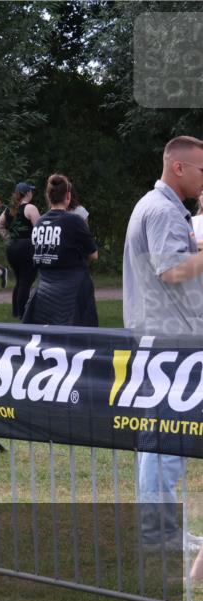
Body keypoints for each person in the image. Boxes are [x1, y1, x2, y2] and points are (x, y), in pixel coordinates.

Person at [123, 135, 203, 551]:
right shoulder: (164, 211)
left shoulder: (155, 206)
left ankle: (163, 529)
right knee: (165, 440)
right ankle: (161, 534)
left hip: (161, 339)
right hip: (170, 343)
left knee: (159, 439)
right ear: (179, 167)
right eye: (202, 170)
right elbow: (171, 270)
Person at [22, 174, 99, 327]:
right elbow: (93, 255)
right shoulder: (74, 221)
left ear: (48, 196)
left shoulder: (40, 223)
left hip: (43, 290)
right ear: (68, 196)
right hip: (72, 292)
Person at [0, 182, 41, 318]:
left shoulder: (11, 209)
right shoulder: (31, 208)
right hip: (27, 247)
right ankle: (23, 313)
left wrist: (9, 238)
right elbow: (39, 230)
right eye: (31, 191)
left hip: (12, 247)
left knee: (20, 280)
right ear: (27, 193)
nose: (32, 193)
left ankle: (16, 312)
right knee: (26, 281)